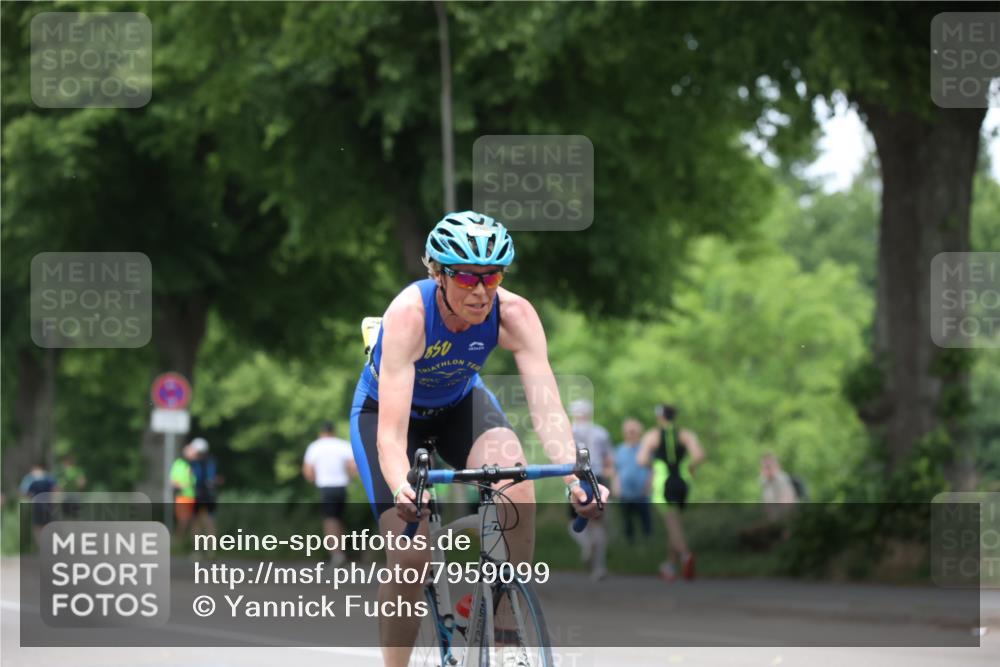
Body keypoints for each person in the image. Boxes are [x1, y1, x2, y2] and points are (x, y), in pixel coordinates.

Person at [349, 211, 609, 667]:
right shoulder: (409, 315)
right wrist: (402, 487)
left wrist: (575, 479)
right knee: (410, 556)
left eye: (492, 276)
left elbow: (548, 409)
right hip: (389, 416)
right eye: (467, 277)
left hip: (458, 406)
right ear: (438, 274)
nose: (480, 290)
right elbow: (390, 438)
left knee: (518, 483)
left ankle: (504, 628)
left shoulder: (515, 314)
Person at [637, 403, 704, 581]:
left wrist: (656, 466)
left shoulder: (652, 435)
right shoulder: (685, 434)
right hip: (683, 481)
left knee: (671, 523)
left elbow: (641, 459)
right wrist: (689, 466)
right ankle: (670, 565)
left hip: (663, 482)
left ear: (660, 417)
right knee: (674, 523)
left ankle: (685, 555)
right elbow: (698, 455)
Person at [566, 399, 615, 581]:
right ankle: (599, 568)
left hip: (576, 479)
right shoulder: (601, 432)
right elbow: (609, 461)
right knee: (598, 523)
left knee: (573, 521)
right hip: (598, 477)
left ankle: (586, 544)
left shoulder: (568, 432)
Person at [303, 421, 357, 567]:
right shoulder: (342, 445)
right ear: (333, 432)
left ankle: (336, 554)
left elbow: (308, 471)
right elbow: (353, 465)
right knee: (339, 518)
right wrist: (350, 478)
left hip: (326, 486)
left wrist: (314, 480)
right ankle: (342, 551)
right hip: (342, 486)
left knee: (330, 520)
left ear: (321, 432)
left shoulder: (315, 446)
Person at [613, 418, 652, 543]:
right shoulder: (619, 450)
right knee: (627, 521)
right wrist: (616, 486)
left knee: (646, 520)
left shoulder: (646, 449)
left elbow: (652, 470)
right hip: (625, 493)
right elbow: (616, 471)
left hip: (642, 492)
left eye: (634, 431)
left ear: (639, 432)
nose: (631, 433)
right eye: (629, 431)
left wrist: (649, 485)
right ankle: (630, 544)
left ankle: (648, 544)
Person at [189, 437, 222, 544]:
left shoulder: (193, 463)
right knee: (210, 521)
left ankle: (197, 549)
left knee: (196, 522)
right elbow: (217, 478)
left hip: (198, 494)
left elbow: (191, 478)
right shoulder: (212, 461)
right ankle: (211, 549)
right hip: (210, 494)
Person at [20, 462, 58, 546]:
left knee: (37, 526)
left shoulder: (30, 477)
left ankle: (41, 545)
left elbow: (24, 492)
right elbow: (55, 490)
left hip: (36, 503)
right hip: (48, 503)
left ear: (34, 468)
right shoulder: (49, 477)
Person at [170, 442, 197, 541]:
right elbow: (173, 482)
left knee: (195, 522)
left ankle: (194, 546)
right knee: (184, 521)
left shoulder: (196, 464)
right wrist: (184, 485)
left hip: (194, 496)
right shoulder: (179, 464)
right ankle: (176, 542)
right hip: (183, 496)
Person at [57, 454, 86, 518]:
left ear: (65, 462)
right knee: (75, 516)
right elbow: (82, 483)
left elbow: (60, 486)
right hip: (75, 496)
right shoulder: (78, 470)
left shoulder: (63, 472)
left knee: (66, 516)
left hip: (66, 497)